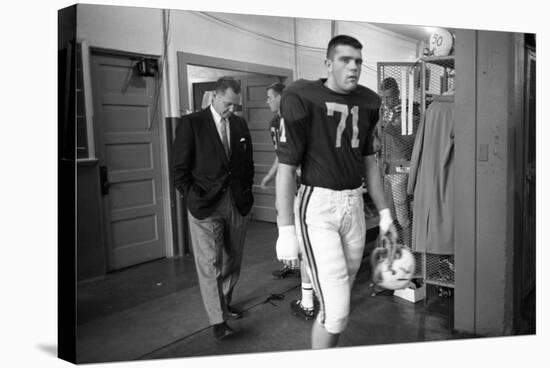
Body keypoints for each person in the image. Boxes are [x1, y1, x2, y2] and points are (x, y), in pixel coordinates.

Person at [275, 35, 397, 349]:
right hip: (318, 206)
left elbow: (369, 162)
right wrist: (285, 228)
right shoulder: (302, 96)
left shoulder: (369, 101)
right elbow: (286, 168)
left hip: (354, 203)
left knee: (338, 307)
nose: (353, 66)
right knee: (337, 308)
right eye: (345, 59)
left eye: (358, 60)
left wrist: (384, 213)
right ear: (328, 63)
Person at [172, 77, 254, 340]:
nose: (232, 109)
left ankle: (224, 302)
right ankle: (217, 320)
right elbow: (179, 170)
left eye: (235, 105)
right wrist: (193, 196)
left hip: (236, 202)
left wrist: (246, 191)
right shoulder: (192, 124)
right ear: (215, 97)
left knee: (233, 259)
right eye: (228, 104)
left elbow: (247, 163)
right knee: (210, 262)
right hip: (205, 205)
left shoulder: (240, 124)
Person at [261, 82, 317, 320]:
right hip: (295, 186)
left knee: (307, 240)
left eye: (270, 97)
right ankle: (295, 266)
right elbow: (283, 158)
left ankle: (308, 299)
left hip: (309, 188)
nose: (267, 102)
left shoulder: (302, 122)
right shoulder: (275, 124)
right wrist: (272, 176)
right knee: (293, 233)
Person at [379, 77, 420, 248]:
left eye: (388, 97)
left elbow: (411, 141)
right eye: (383, 97)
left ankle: (408, 253)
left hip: (401, 166)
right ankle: (394, 251)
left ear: (397, 95)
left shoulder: (409, 112)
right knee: (390, 213)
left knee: (403, 215)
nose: (385, 101)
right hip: (387, 168)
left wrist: (390, 127)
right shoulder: (384, 112)